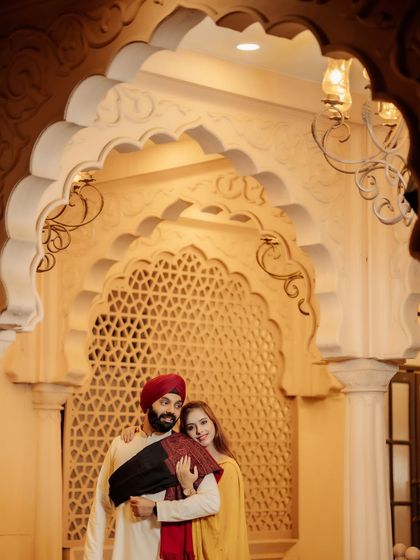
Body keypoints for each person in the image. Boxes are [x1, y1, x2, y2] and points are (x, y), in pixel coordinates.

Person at [83, 374, 222, 560]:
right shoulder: (120, 444)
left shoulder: (185, 448)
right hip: (124, 554)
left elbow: (211, 503)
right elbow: (101, 505)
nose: (171, 411)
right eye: (164, 402)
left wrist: (158, 509)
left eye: (177, 405)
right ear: (148, 403)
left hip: (165, 554)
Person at [123, 400, 250, 560]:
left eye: (203, 422)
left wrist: (188, 488)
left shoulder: (227, 467)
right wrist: (137, 431)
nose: (199, 431)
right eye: (191, 427)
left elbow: (216, 521)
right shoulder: (186, 460)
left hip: (217, 552)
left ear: (214, 423)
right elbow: (164, 438)